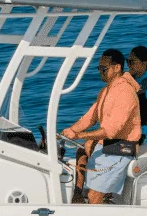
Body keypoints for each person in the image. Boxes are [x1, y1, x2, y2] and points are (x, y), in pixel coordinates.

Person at [60, 49, 141, 204]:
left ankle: (97, 203)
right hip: (108, 145)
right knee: (82, 150)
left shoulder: (125, 93)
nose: (100, 72)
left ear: (117, 68)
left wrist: (79, 135)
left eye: (104, 69)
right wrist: (68, 131)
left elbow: (111, 132)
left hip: (123, 148)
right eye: (99, 68)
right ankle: (78, 195)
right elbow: (89, 118)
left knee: (93, 196)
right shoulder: (106, 91)